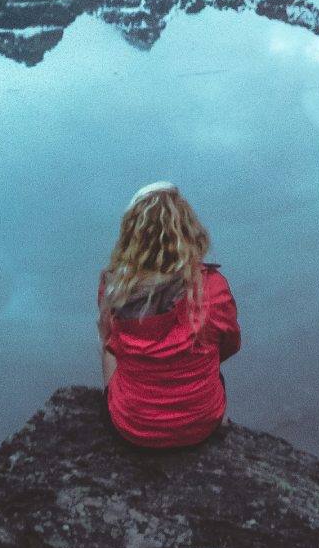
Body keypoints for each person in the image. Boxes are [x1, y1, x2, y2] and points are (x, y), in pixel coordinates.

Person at [97, 182, 240, 448]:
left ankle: (115, 398)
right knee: (207, 341)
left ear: (132, 237)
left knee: (106, 342)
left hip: (132, 431)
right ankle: (214, 418)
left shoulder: (113, 289)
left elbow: (113, 348)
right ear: (188, 232)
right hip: (201, 427)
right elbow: (229, 346)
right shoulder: (213, 288)